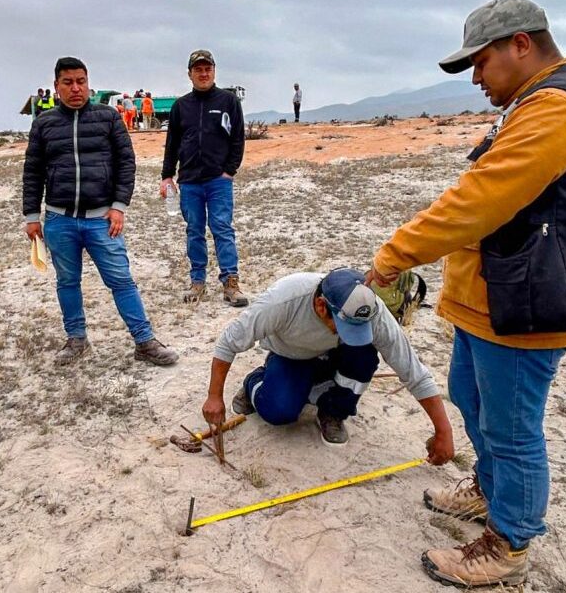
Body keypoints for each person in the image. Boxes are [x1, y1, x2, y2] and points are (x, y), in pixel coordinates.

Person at [367, 0, 566, 588]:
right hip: (491, 301)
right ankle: (488, 488)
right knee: (471, 397)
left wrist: (394, 255)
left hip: (523, 306)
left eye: (480, 63)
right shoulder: (531, 101)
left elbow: (479, 200)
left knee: (512, 427)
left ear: (522, 44)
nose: (477, 78)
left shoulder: (553, 108)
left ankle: (509, 543)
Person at [22, 56, 178, 367]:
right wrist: (31, 217)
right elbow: (33, 171)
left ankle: (144, 341)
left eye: (81, 81)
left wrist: (119, 206)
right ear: (56, 87)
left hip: (102, 220)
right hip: (58, 219)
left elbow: (126, 164)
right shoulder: (44, 124)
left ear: (88, 83)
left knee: (121, 280)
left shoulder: (108, 117)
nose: (76, 88)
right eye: (68, 82)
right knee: (67, 282)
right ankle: (76, 339)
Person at [202, 269, 454, 454]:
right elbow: (228, 342)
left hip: (333, 356)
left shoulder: (371, 310)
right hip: (292, 355)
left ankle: (332, 410)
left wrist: (443, 430)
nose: (352, 334)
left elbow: (413, 371)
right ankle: (254, 382)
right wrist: (215, 396)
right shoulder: (285, 299)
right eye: (345, 327)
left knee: (364, 356)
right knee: (280, 412)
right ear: (321, 306)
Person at [160, 49, 247, 307]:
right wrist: (167, 176)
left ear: (214, 70)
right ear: (190, 74)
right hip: (189, 182)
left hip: (218, 181)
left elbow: (238, 138)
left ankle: (231, 283)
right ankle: (197, 281)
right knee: (194, 231)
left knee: (222, 229)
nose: (203, 73)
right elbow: (172, 143)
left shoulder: (228, 102)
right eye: (198, 69)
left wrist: (229, 171)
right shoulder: (180, 106)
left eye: (207, 68)